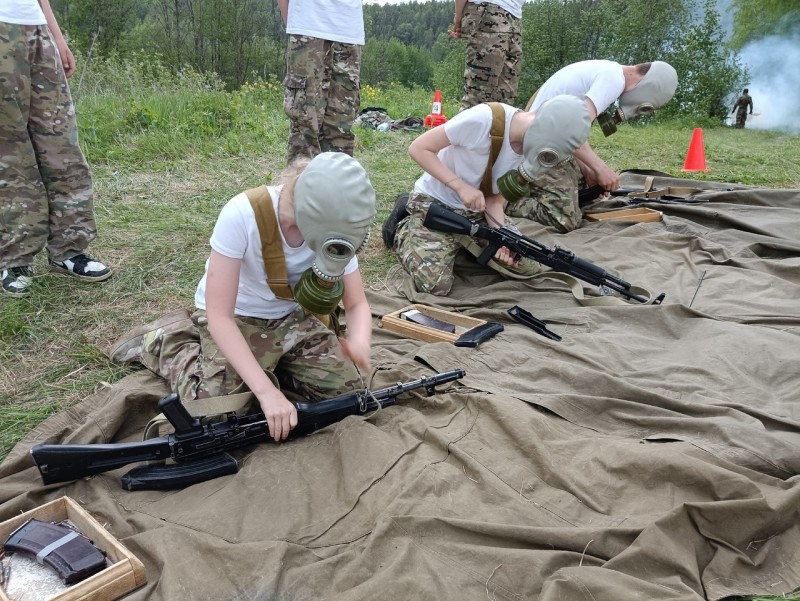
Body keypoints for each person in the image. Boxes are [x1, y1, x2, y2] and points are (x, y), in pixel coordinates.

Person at [111, 153, 376, 442]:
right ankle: (166, 342)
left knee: (349, 396)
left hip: (292, 318)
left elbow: (356, 303)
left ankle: (278, 366)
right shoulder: (243, 214)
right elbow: (219, 315)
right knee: (214, 415)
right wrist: (266, 393)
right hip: (237, 317)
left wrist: (360, 341)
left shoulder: (336, 228)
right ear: (314, 213)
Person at [391, 95, 591, 296]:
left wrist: (502, 237)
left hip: (477, 213)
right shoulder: (482, 120)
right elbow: (419, 148)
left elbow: (495, 201)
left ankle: (461, 244)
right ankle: (405, 229)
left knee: (527, 264)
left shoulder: (538, 155)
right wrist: (459, 186)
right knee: (435, 286)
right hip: (436, 205)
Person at [0, 0, 111, 297]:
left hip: (37, 31)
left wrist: (56, 37)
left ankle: (68, 249)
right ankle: (15, 259)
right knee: (11, 155)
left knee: (62, 146)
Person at [505, 60, 678, 233]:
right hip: (540, 146)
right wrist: (601, 169)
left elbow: (572, 132)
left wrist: (589, 170)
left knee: (589, 192)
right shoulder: (613, 80)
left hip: (549, 141)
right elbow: (568, 130)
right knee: (564, 220)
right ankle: (505, 200)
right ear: (649, 88)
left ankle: (536, 191)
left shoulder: (608, 71)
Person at [279, 0, 363, 164]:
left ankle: (335, 187)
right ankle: (300, 187)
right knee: (305, 122)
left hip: (349, 30)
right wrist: (293, 22)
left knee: (341, 124)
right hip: (308, 25)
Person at [450, 0, 523, 110]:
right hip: (512, 19)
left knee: (479, 99)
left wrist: (458, 18)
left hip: (489, 16)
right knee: (503, 103)